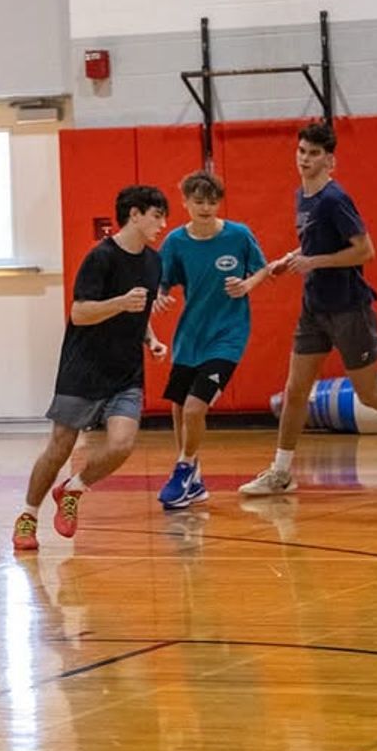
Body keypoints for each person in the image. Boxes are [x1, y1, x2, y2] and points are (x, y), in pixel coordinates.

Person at [238, 121, 377, 497]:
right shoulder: (303, 196)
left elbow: (365, 250)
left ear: (331, 160)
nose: (305, 159)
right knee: (295, 390)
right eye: (301, 152)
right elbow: (313, 247)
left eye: (314, 154)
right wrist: (292, 259)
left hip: (349, 307)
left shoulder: (334, 199)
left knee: (370, 393)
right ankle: (281, 472)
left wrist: (314, 263)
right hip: (314, 308)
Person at [12, 185, 169, 551]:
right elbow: (80, 313)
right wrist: (119, 302)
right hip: (83, 370)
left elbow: (139, 310)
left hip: (126, 372)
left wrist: (152, 339)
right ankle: (27, 516)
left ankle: (74, 488)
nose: (162, 224)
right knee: (59, 449)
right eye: (157, 215)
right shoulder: (100, 258)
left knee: (122, 445)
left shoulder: (153, 261)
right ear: (134, 214)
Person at [154, 170, 271, 509]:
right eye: (198, 201)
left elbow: (261, 269)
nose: (205, 208)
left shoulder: (238, 235)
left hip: (228, 336)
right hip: (190, 337)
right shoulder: (176, 241)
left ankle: (184, 468)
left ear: (219, 203)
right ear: (185, 203)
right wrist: (160, 293)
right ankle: (192, 478)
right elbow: (163, 280)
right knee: (178, 408)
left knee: (194, 407)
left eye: (212, 201)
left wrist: (248, 285)